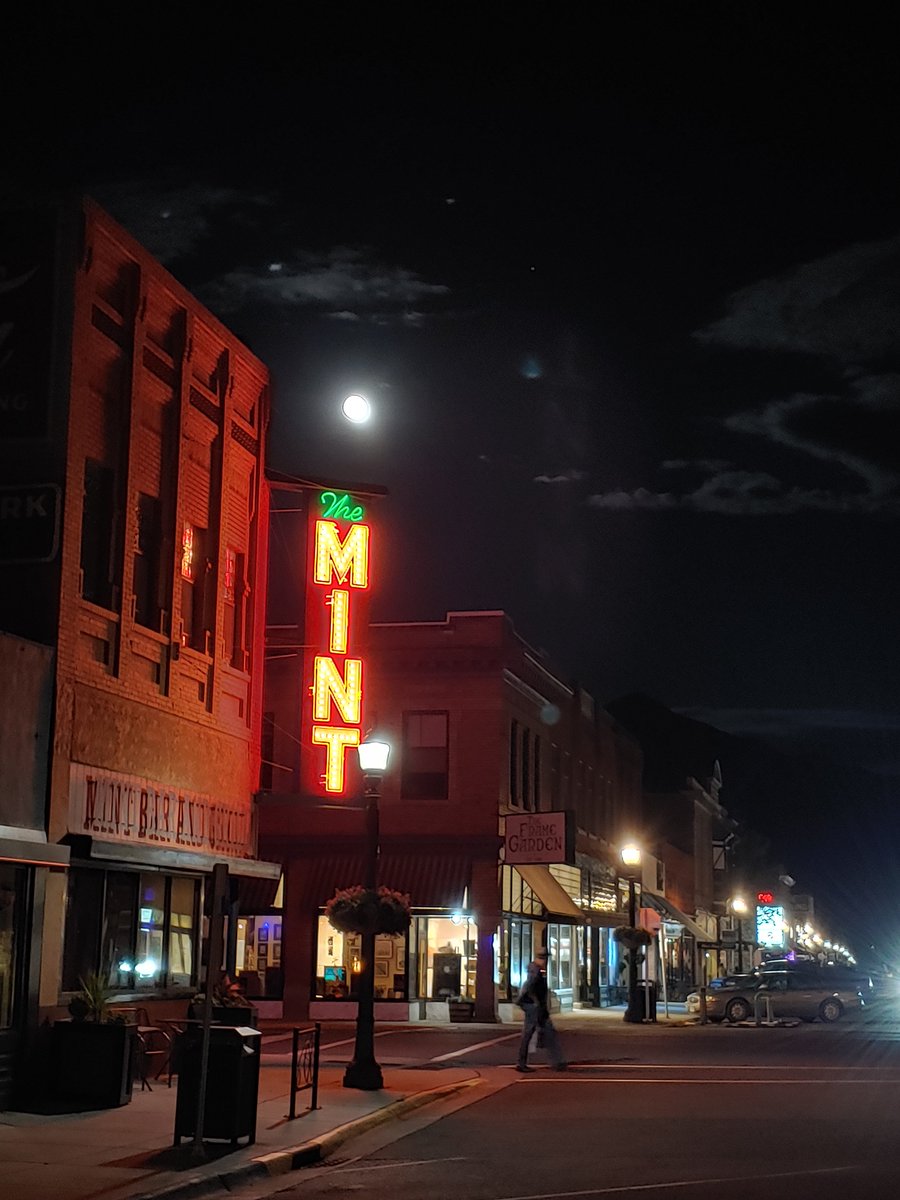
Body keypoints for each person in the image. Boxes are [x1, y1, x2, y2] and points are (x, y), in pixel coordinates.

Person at [515, 950, 567, 1072]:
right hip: (534, 1007)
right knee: (532, 1033)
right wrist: (535, 1003)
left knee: (543, 1033)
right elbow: (530, 987)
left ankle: (557, 1062)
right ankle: (556, 1062)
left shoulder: (537, 969)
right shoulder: (536, 969)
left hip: (536, 1006)